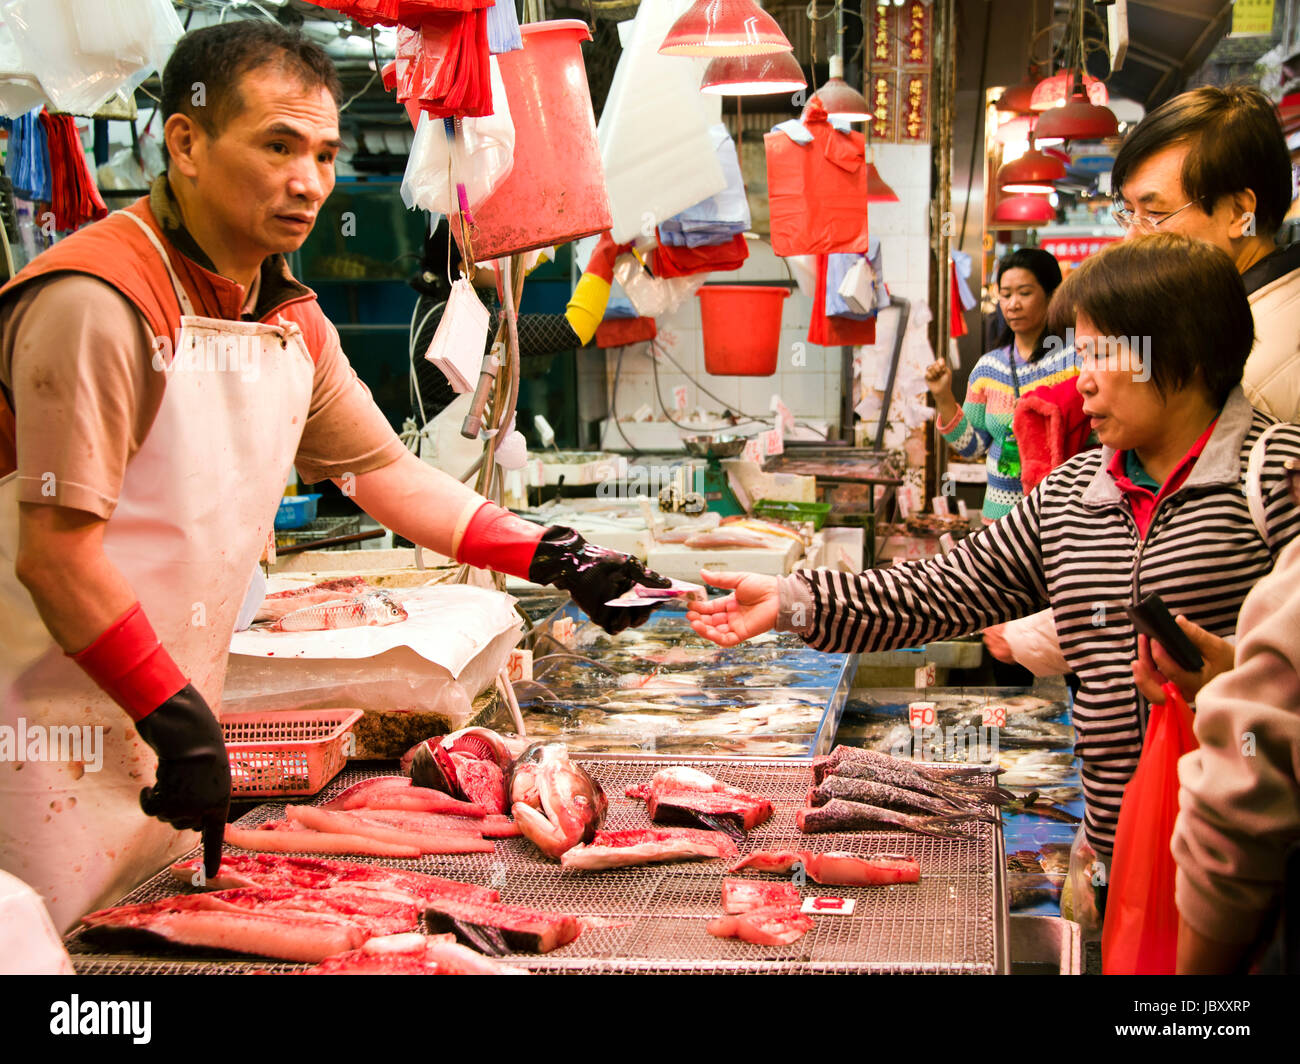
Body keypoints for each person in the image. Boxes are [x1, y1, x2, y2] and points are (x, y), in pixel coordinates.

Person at [0, 21, 665, 932]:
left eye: (322, 152)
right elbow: (56, 557)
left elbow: (383, 473)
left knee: (147, 938)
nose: (309, 180)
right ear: (185, 143)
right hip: (35, 722)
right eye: (277, 145)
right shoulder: (97, 301)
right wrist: (172, 713)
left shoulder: (287, 316)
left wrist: (556, 554)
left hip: (159, 719)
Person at [688, 234, 1300, 867]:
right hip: (1122, 858)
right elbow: (940, 589)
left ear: (1186, 354)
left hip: (1255, 869)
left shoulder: (1277, 478)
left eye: (1102, 355)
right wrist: (793, 600)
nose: (1081, 382)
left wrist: (1235, 679)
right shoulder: (1071, 495)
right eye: (1078, 354)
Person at [989, 83, 1300, 678]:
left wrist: (1245, 681)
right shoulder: (1232, 323)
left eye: (1155, 214)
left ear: (1240, 211)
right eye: (1128, 213)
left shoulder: (1263, 365)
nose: (1134, 237)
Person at [1166, 504, 1300, 974]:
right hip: (1132, 834)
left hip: (1222, 900)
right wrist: (1235, 675)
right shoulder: (1073, 489)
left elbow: (1244, 796)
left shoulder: (1267, 476)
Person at [925, 248, 1073, 524]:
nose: (1012, 304)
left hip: (1061, 518)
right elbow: (972, 447)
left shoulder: (1075, 361)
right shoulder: (989, 368)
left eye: (1024, 293)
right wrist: (943, 396)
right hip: (1000, 523)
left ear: (1052, 295)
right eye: (1005, 294)